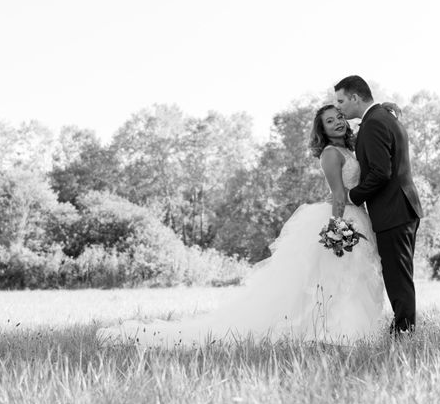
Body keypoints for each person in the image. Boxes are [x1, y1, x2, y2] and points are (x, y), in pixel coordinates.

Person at [96, 105, 386, 348]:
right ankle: (334, 332)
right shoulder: (330, 154)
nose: (336, 123)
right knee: (335, 279)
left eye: (338, 117)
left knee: (352, 279)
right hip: (342, 218)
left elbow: (372, 124)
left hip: (358, 216)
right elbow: (337, 194)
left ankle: (350, 330)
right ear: (321, 130)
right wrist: (338, 229)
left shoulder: (350, 147)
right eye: (329, 121)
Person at [334, 75, 423, 335]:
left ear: (355, 97)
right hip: (402, 207)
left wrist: (352, 196)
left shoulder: (374, 123)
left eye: (341, 101)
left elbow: (380, 172)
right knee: (399, 273)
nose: (338, 107)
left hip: (393, 210)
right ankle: (403, 327)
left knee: (397, 275)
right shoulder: (383, 117)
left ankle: (404, 331)